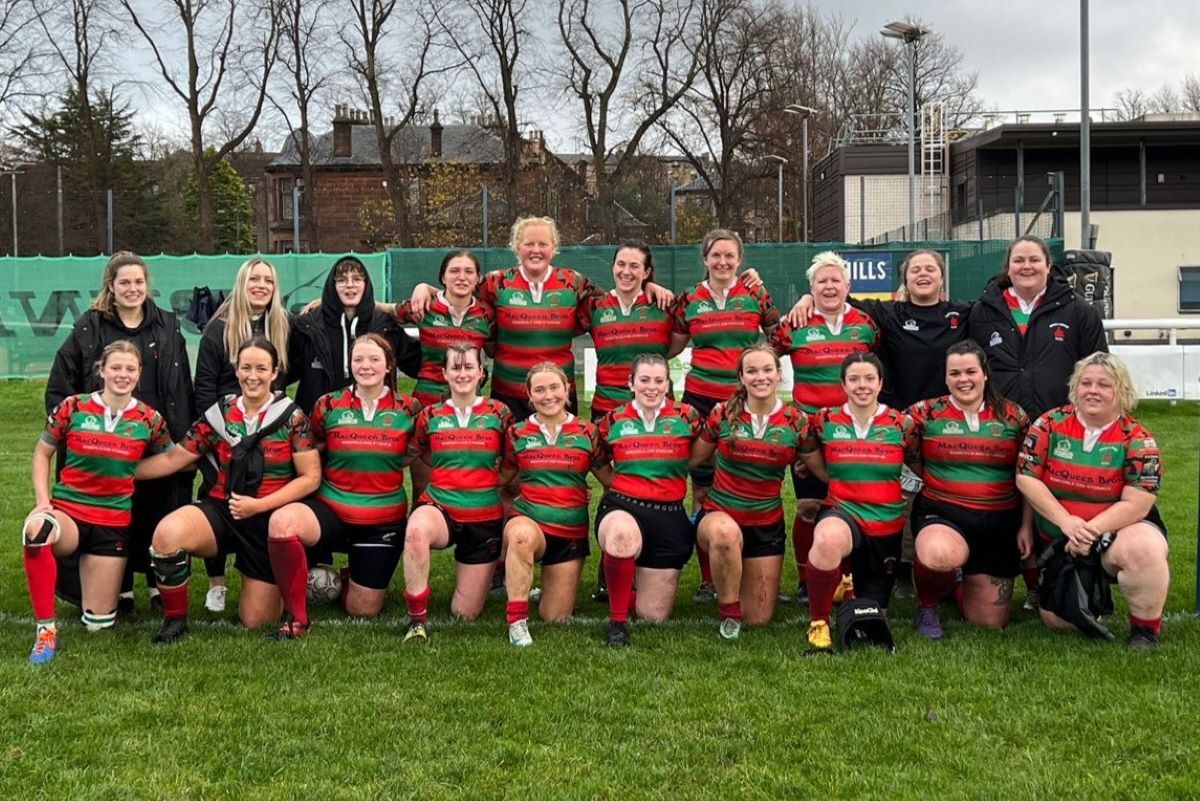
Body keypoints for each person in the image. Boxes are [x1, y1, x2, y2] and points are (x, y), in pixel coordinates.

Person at [136, 338, 320, 644]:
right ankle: (174, 620)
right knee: (167, 533)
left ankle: (281, 586)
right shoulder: (221, 412)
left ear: (274, 373)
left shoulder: (292, 417)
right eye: (246, 367)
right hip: (223, 507)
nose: (253, 376)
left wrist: (259, 506)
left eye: (262, 368)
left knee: (255, 620)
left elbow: (310, 478)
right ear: (236, 370)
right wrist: (120, 471)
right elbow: (175, 458)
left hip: (267, 517)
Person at [45, 252, 194, 617]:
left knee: (156, 513)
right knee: (113, 515)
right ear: (111, 287)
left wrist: (182, 442)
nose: (132, 288)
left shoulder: (167, 325)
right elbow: (60, 391)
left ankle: (158, 583)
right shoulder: (88, 328)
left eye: (138, 282)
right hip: (105, 448)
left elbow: (182, 388)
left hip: (155, 443)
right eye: (124, 282)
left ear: (148, 285)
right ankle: (120, 587)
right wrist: (84, 439)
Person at [966, 234, 1108, 608]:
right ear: (1007, 268)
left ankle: (1057, 580)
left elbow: (1098, 370)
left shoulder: (1078, 311)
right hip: (998, 429)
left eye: (1034, 260)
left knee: (1054, 504)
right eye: (1018, 261)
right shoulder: (983, 311)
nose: (1026, 267)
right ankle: (1002, 576)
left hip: (1059, 432)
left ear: (1049, 266)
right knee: (1003, 503)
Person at [22, 341, 173, 663]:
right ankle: (45, 631)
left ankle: (95, 606)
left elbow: (172, 458)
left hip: (113, 524)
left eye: (130, 369)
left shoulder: (150, 419)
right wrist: (42, 501)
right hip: (70, 515)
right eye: (115, 367)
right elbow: (42, 452)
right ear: (101, 371)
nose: (123, 374)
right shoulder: (73, 407)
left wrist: (130, 472)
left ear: (139, 374)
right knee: (36, 531)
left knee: (99, 625)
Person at [265, 334, 421, 639]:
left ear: (389, 365)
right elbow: (313, 450)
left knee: (362, 610)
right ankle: (297, 618)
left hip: (381, 520)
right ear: (349, 364)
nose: (366, 366)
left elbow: (413, 453)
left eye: (374, 359)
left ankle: (352, 577)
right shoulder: (329, 404)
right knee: (282, 523)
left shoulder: (409, 408)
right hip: (331, 509)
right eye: (358, 359)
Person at [1015, 352, 1168, 650]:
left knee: (1143, 550)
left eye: (1104, 384)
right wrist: (1067, 523)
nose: (1093, 390)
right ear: (1074, 387)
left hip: (1117, 532)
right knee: (1060, 624)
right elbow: (1026, 478)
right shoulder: (1048, 424)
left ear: (1121, 391)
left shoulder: (1138, 438)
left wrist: (1088, 530)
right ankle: (1092, 594)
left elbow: (1138, 502)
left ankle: (1145, 629)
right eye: (1086, 383)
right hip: (1062, 537)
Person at [670, 228, 779, 601]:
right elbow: (671, 344)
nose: (723, 262)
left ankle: (751, 560)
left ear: (740, 259)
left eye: (730, 256)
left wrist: (761, 368)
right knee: (702, 487)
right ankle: (707, 578)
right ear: (705, 259)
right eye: (716, 255)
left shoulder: (755, 293)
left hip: (743, 402)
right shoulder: (689, 300)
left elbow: (779, 335)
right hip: (700, 400)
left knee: (744, 479)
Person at [770, 251, 877, 604]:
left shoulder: (866, 323)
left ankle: (848, 577)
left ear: (848, 285)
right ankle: (805, 579)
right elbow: (763, 361)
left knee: (850, 504)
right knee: (809, 506)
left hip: (855, 433)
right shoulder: (796, 323)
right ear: (811, 287)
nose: (829, 286)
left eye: (835, 280)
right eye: (821, 281)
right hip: (810, 435)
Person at [905, 341, 1032, 637]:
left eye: (971, 371)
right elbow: (904, 451)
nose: (964, 379)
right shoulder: (924, 414)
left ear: (985, 373)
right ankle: (927, 606)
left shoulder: (1014, 416)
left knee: (988, 622)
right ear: (946, 378)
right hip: (943, 512)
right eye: (955, 373)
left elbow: (1028, 476)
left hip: (999, 521)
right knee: (939, 554)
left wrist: (1025, 525)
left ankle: (953, 585)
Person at [688, 345, 810, 641]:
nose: (760, 377)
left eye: (768, 370)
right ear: (741, 377)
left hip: (766, 524)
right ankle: (728, 613)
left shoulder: (797, 420)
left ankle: (737, 581)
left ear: (779, 375)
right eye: (752, 371)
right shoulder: (722, 413)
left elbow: (819, 467)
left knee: (758, 619)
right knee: (725, 535)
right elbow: (692, 459)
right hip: (720, 514)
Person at [193, 257, 292, 613]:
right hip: (224, 430)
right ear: (242, 283)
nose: (261, 285)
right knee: (218, 496)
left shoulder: (282, 324)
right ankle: (216, 583)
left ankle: (267, 572)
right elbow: (203, 389)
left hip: (265, 428)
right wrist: (226, 433)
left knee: (265, 497)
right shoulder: (218, 329)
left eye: (268, 279)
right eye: (254, 279)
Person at [800, 353, 914, 651]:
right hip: (843, 510)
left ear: (880, 383)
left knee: (872, 616)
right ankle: (819, 623)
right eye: (854, 379)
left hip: (886, 525)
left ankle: (844, 582)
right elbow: (806, 454)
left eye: (868, 379)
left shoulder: (903, 424)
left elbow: (920, 463)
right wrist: (834, 478)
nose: (861, 385)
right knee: (826, 540)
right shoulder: (825, 420)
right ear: (843, 384)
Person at [401, 343, 513, 643]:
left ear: (481, 373)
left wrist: (494, 479)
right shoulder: (430, 415)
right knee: (416, 530)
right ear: (444, 373)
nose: (462, 373)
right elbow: (415, 453)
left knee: (465, 613)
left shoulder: (500, 413)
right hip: (441, 507)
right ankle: (416, 619)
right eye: (455, 367)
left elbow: (515, 460)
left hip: (484, 515)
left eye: (468, 367)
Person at [595, 353, 702, 647]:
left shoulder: (687, 417)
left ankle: (617, 580)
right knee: (621, 537)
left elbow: (705, 449)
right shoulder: (613, 420)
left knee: (653, 615)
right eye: (644, 380)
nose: (651, 387)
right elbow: (594, 454)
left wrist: (679, 469)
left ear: (668, 383)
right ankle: (617, 623)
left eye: (659, 380)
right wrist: (613, 482)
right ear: (631, 383)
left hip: (669, 515)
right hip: (624, 507)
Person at [498, 362, 604, 647]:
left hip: (570, 531)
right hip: (530, 521)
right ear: (529, 396)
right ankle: (517, 621)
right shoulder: (517, 433)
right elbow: (502, 477)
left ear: (567, 389)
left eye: (554, 387)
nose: (548, 396)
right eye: (540, 390)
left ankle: (534, 588)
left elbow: (610, 477)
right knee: (520, 536)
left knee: (555, 616)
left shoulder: (588, 431)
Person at [394, 250, 495, 502]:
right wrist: (330, 303)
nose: (461, 277)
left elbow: (494, 346)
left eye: (468, 272)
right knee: (422, 485)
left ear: (478, 278)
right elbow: (386, 310)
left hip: (470, 410)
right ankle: (418, 535)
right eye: (454, 271)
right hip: (426, 405)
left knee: (469, 483)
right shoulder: (424, 305)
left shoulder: (487, 313)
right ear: (442, 277)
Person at [289, 255, 420, 415]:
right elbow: (281, 372)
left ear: (366, 284)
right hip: (317, 428)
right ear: (332, 286)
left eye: (357, 279)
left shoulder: (384, 325)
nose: (350, 285)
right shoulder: (309, 325)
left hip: (374, 427)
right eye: (342, 280)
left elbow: (422, 365)